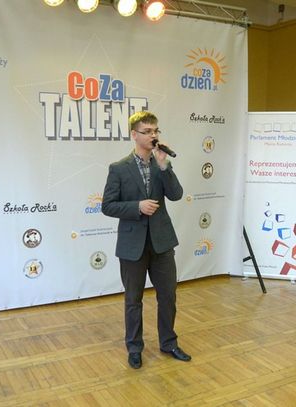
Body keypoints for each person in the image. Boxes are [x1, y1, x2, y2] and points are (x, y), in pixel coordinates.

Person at [102, 111, 191, 369]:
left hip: (162, 243)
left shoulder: (161, 164)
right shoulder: (119, 168)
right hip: (132, 246)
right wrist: (137, 207)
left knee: (168, 296)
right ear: (134, 135)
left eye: (155, 131)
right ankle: (134, 348)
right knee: (133, 300)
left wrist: (164, 166)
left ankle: (169, 343)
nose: (153, 135)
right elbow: (108, 206)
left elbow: (176, 194)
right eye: (147, 131)